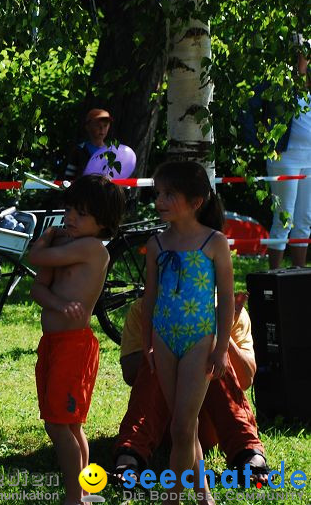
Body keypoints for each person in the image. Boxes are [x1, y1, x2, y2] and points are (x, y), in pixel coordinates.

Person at [27, 174, 125, 505]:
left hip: (75, 345)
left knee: (58, 425)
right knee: (70, 426)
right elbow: (37, 287)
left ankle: (73, 498)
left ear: (102, 223)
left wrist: (47, 236)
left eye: (81, 214)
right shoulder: (65, 246)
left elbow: (34, 258)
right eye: (69, 209)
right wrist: (58, 303)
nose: (70, 217)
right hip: (53, 343)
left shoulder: (91, 248)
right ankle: (83, 492)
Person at [141, 160, 235, 505]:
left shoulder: (214, 242)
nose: (160, 201)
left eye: (169, 195)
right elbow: (149, 297)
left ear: (196, 202)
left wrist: (221, 347)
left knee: (181, 426)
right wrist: (149, 342)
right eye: (158, 194)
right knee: (185, 424)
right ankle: (202, 493)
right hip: (164, 339)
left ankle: (172, 497)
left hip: (199, 340)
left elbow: (225, 298)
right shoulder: (156, 244)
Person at [111, 296, 268, 484]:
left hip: (210, 423)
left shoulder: (229, 308)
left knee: (209, 346)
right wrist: (164, 339)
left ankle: (247, 452)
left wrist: (218, 332)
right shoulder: (145, 307)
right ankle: (131, 454)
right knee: (160, 351)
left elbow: (246, 378)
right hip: (164, 422)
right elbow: (129, 373)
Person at [252, 36, 311, 269]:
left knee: (304, 220)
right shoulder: (281, 84)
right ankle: (274, 275)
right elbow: (250, 103)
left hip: (310, 160)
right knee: (284, 218)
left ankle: (299, 273)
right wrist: (257, 138)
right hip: (284, 157)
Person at [62, 108, 113, 181]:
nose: (102, 129)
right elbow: (68, 177)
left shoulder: (111, 152)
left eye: (105, 125)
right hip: (82, 191)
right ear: (88, 127)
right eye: (97, 125)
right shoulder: (79, 150)